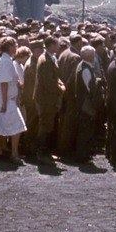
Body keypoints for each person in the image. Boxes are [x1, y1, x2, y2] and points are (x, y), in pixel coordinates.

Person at [0, 37, 26, 164]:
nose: (16, 48)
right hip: (3, 97)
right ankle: (14, 154)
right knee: (17, 125)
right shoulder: (5, 61)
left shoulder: (6, 60)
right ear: (10, 47)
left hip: (3, 96)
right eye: (15, 45)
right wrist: (5, 103)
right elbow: (4, 83)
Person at [34, 35, 65, 164]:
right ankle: (42, 153)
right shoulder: (46, 60)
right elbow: (48, 83)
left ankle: (46, 152)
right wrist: (60, 89)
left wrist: (59, 83)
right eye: (57, 44)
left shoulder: (49, 58)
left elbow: (54, 78)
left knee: (48, 125)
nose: (59, 46)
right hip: (46, 99)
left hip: (48, 98)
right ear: (52, 45)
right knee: (45, 126)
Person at [72, 45, 102, 164]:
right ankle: (82, 156)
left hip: (84, 103)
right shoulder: (85, 69)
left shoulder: (84, 66)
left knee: (85, 129)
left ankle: (84, 154)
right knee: (85, 130)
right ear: (91, 56)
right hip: (86, 104)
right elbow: (90, 88)